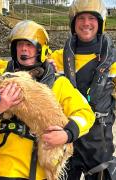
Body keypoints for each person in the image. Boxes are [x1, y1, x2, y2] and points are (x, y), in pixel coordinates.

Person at [0, 20, 95, 180]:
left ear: (41, 50)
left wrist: (67, 134)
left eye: (30, 45)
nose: (24, 49)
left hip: (41, 171)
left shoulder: (59, 83)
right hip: (4, 169)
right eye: (20, 44)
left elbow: (86, 113)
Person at [51, 0, 116, 179]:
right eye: (81, 18)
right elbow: (26, 62)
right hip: (67, 135)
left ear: (100, 22)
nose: (86, 23)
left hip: (99, 139)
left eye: (91, 18)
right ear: (73, 23)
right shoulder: (56, 59)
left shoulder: (113, 61)